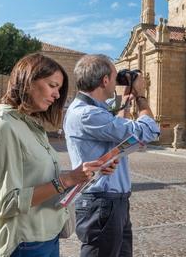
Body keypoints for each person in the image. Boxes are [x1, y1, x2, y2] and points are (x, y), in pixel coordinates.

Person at [0, 53, 117, 257]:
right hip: (23, 245)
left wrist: (86, 173)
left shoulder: (32, 127)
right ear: (27, 81)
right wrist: (67, 179)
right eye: (52, 86)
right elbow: (6, 203)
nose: (57, 95)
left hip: (47, 238)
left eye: (59, 89)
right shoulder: (2, 128)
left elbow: (43, 180)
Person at [64, 54, 160, 257]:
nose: (118, 81)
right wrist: (141, 97)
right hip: (102, 203)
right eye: (115, 76)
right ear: (105, 80)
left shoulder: (94, 112)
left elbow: (115, 133)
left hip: (112, 203)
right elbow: (149, 131)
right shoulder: (87, 114)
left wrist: (125, 100)